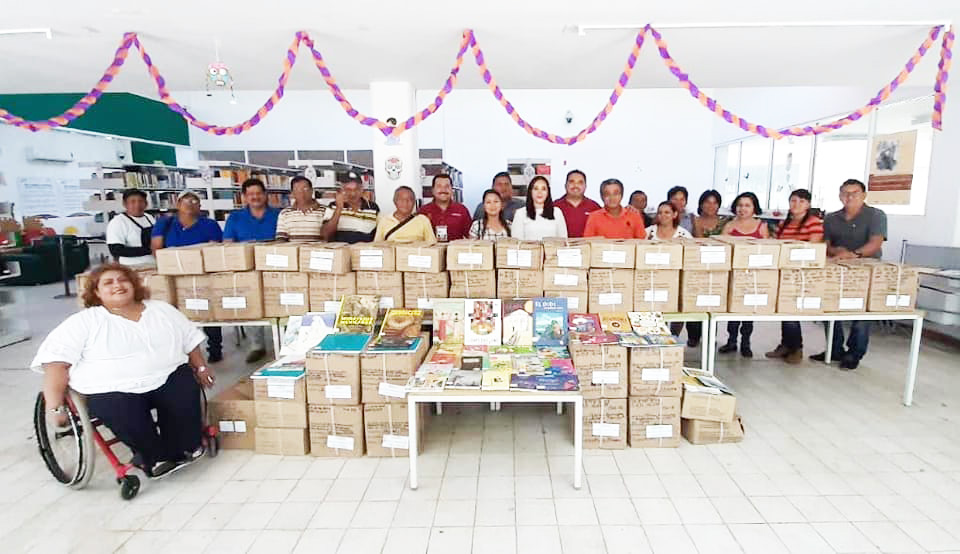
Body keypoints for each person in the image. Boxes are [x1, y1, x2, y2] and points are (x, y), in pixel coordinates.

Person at [33, 263, 216, 478]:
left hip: (167, 375)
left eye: (123, 280)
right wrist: (55, 408)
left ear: (134, 285)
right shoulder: (83, 322)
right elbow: (56, 364)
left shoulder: (161, 310)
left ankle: (184, 446)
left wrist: (201, 366)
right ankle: (154, 457)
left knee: (184, 391)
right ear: (96, 292)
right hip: (111, 387)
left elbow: (189, 340)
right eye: (108, 283)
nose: (117, 285)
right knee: (124, 411)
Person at [815, 178, 887, 370]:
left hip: (866, 269)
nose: (849, 197)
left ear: (864, 195)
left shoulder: (876, 215)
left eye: (854, 193)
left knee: (861, 311)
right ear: (840, 195)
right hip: (838, 268)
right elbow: (827, 243)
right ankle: (834, 348)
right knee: (830, 307)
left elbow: (875, 243)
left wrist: (853, 255)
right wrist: (835, 251)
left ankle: (854, 353)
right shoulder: (831, 217)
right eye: (845, 193)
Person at [151, 190, 224, 362]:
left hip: (202, 274)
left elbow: (215, 249)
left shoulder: (210, 224)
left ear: (200, 206)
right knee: (175, 313)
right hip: (173, 275)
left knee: (208, 311)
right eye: (186, 200)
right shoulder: (165, 223)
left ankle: (215, 348)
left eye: (195, 201)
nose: (190, 204)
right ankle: (179, 351)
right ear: (178, 204)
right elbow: (156, 248)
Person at [223, 178, 281, 363]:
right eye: (250, 194)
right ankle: (257, 346)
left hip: (275, 266)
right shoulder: (235, 218)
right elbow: (228, 244)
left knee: (280, 302)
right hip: (245, 269)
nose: (255, 197)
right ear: (244, 197)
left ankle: (286, 342)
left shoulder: (278, 214)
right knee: (252, 304)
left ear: (265, 195)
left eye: (258, 193)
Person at [765, 189, 824, 365]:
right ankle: (785, 344)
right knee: (784, 309)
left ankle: (796, 348)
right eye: (793, 201)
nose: (796, 204)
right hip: (785, 271)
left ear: (808, 204)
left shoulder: (814, 223)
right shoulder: (784, 223)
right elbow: (776, 244)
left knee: (791, 311)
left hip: (802, 273)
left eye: (801, 201)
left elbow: (814, 247)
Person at [718, 192, 769, 358]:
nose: (743, 209)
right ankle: (732, 341)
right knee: (734, 310)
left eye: (747, 205)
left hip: (754, 275)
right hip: (735, 274)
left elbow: (768, 251)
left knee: (748, 311)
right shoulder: (729, 226)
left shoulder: (762, 226)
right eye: (740, 205)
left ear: (754, 207)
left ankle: (746, 342)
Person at [323, 175, 380, 243]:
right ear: (342, 191)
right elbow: (325, 235)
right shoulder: (333, 206)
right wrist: (339, 208)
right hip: (340, 250)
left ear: (362, 189)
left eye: (356, 189)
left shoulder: (373, 207)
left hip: (364, 250)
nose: (353, 194)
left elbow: (378, 235)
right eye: (348, 190)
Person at [106, 189, 156, 265]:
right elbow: (116, 250)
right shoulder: (118, 222)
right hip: (132, 266)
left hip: (153, 262)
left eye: (141, 201)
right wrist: (148, 250)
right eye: (133, 202)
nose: (137, 205)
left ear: (146, 204)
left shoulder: (149, 218)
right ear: (125, 204)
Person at [511, 176, 568, 241]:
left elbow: (563, 240)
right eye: (536, 189)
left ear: (548, 192)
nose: (539, 192)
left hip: (552, 250)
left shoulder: (557, 212)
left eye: (543, 189)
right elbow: (517, 242)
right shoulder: (520, 213)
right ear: (530, 191)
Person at [419, 174, 472, 242]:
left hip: (454, 251)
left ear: (452, 190)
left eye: (447, 186)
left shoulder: (461, 210)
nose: (443, 190)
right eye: (439, 186)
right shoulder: (423, 211)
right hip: (431, 251)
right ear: (432, 190)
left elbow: (470, 236)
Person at [276, 176, 328, 241]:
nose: (301, 193)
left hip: (317, 250)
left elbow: (328, 237)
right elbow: (281, 239)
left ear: (312, 191)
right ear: (292, 193)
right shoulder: (284, 213)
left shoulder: (325, 211)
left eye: (305, 189)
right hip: (293, 250)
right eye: (297, 189)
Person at [553, 169, 601, 238]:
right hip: (561, 247)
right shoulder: (555, 207)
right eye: (571, 182)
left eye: (580, 182)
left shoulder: (594, 207)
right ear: (565, 185)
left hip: (588, 247)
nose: (575, 185)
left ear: (585, 186)